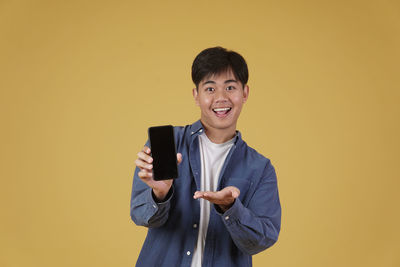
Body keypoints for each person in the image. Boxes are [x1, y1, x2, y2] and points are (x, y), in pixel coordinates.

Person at [130, 47, 281, 267]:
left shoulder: (260, 168)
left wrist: (230, 208)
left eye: (230, 87)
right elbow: (140, 216)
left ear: (245, 93)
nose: (221, 98)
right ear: (196, 96)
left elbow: (261, 240)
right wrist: (159, 194)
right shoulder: (168, 144)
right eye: (210, 88)